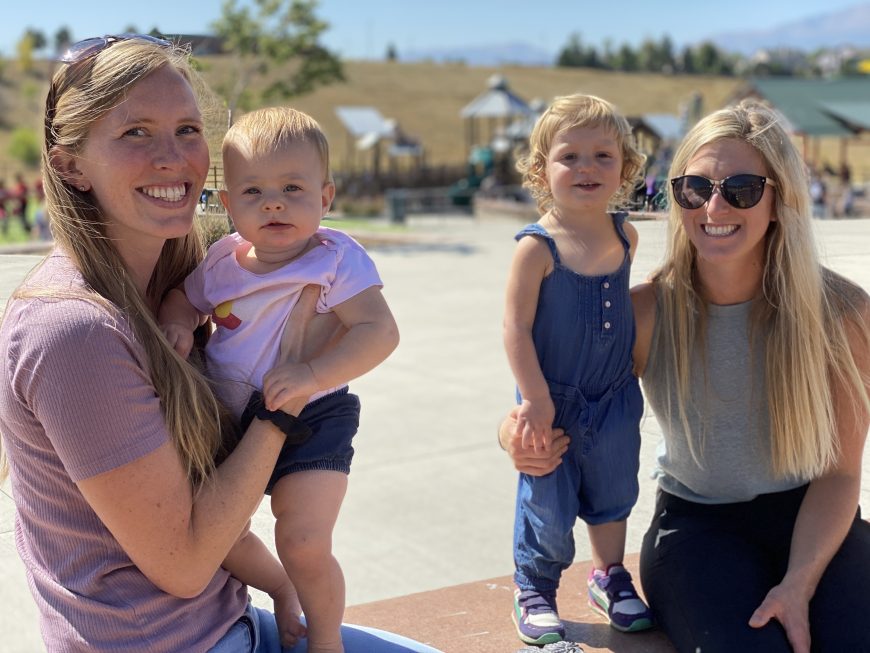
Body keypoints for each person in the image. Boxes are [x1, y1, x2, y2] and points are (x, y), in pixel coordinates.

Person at [0, 34, 434, 653]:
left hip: (227, 619)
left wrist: (281, 584)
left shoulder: (178, 283)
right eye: (136, 133)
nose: (173, 157)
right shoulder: (73, 331)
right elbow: (183, 564)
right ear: (70, 165)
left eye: (187, 130)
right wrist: (287, 394)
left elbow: (199, 503)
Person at [501, 100, 870, 653]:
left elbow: (839, 475)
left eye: (742, 188)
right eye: (695, 188)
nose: (714, 206)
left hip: (816, 520)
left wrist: (799, 584)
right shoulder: (648, 311)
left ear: (780, 199)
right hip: (696, 530)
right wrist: (512, 436)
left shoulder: (843, 313)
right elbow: (572, 398)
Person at [159, 106, 400, 653]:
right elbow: (182, 299)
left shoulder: (335, 258)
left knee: (304, 539)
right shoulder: (222, 260)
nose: (273, 203)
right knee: (217, 533)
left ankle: (326, 640)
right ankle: (279, 588)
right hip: (230, 417)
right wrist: (177, 323)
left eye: (293, 188)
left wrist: (312, 374)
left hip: (315, 415)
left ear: (325, 196)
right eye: (254, 191)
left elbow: (379, 332)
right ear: (227, 205)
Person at [504, 93, 653, 646]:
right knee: (547, 500)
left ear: (625, 168)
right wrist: (534, 398)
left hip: (614, 396)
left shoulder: (625, 235)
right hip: (552, 401)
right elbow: (514, 328)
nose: (586, 167)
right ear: (541, 169)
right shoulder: (536, 247)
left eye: (602, 156)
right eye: (570, 156)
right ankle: (534, 587)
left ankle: (608, 576)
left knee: (614, 493)